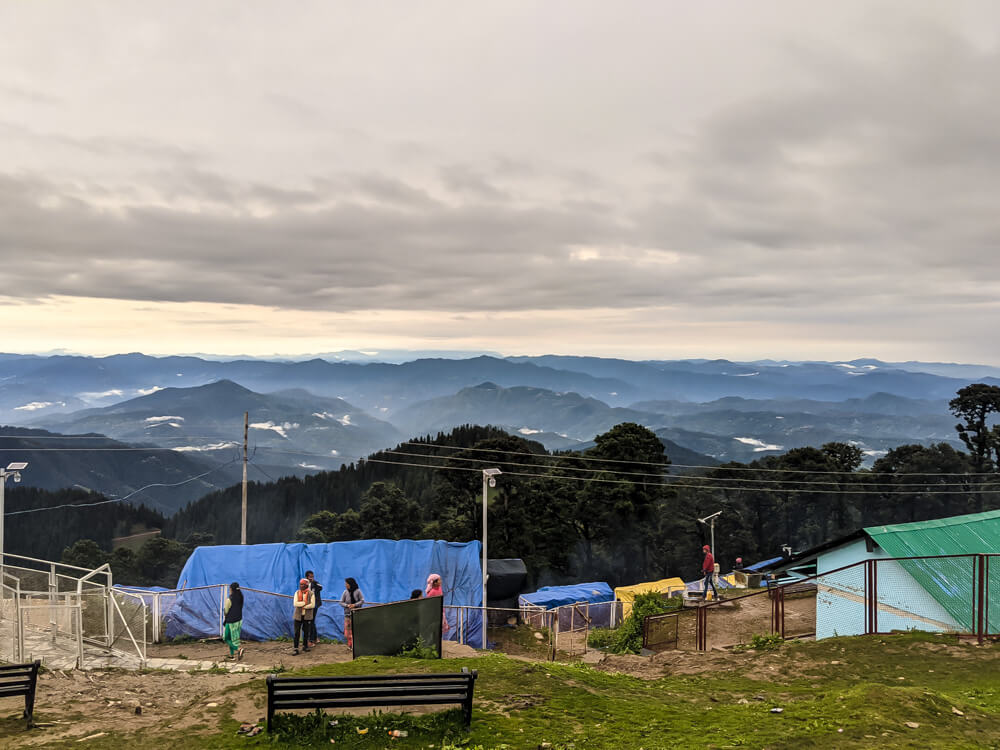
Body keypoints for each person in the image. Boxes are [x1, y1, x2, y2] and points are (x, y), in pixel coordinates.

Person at [292, 578, 315, 655]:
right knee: (296, 633)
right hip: (298, 616)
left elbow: (312, 605)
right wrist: (305, 603)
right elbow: (295, 604)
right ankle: (295, 648)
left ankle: (305, 646)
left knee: (306, 632)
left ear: (307, 585)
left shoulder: (311, 594)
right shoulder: (297, 593)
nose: (301, 586)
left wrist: (303, 605)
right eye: (300, 584)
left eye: (303, 584)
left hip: (307, 616)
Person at [339, 577, 364, 648]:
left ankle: (356, 645)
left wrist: (355, 605)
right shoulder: (345, 592)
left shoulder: (358, 591)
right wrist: (347, 605)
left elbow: (362, 601)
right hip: (347, 615)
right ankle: (350, 644)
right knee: (347, 631)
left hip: (356, 614)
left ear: (350, 584)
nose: (345, 585)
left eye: (346, 583)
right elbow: (341, 602)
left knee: (355, 630)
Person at [223, 582, 244, 661]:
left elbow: (226, 610)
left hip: (231, 621)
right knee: (233, 639)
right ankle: (232, 656)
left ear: (231, 589)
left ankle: (239, 649)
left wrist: (226, 616)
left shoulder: (229, 599)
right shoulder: (241, 597)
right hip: (238, 620)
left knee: (226, 638)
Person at [304, 570, 323, 647]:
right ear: (307, 577)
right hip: (307, 605)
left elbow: (321, 587)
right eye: (310, 576)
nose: (311, 578)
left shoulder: (315, 583)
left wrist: (314, 582)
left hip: (314, 605)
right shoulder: (304, 584)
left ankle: (312, 639)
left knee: (311, 621)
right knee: (310, 621)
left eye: (312, 576)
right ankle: (314, 638)